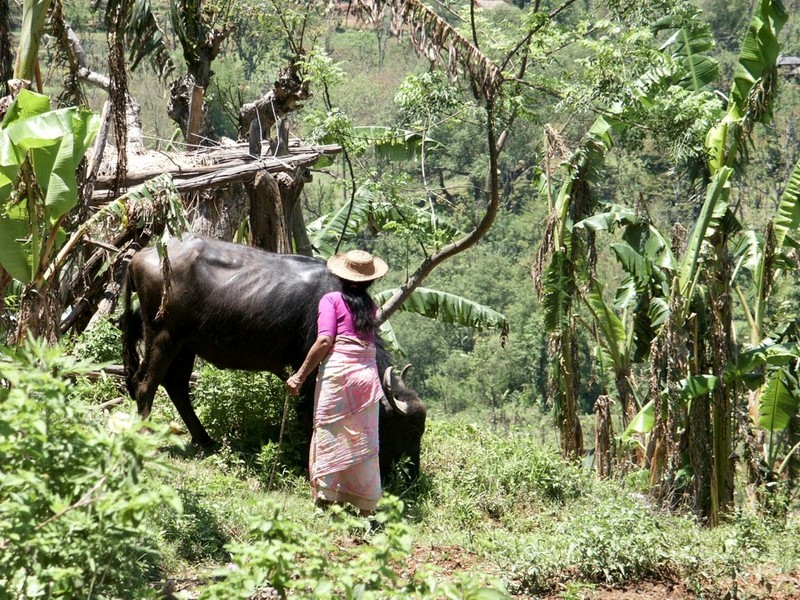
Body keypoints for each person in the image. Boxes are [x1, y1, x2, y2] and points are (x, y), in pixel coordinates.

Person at [285, 249, 389, 517]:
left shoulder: (331, 299)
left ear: (341, 276)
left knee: (330, 431)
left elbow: (324, 341)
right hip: (366, 377)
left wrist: (300, 375)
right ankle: (365, 506)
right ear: (369, 281)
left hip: (339, 374)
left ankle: (330, 498)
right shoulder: (370, 306)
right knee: (364, 440)